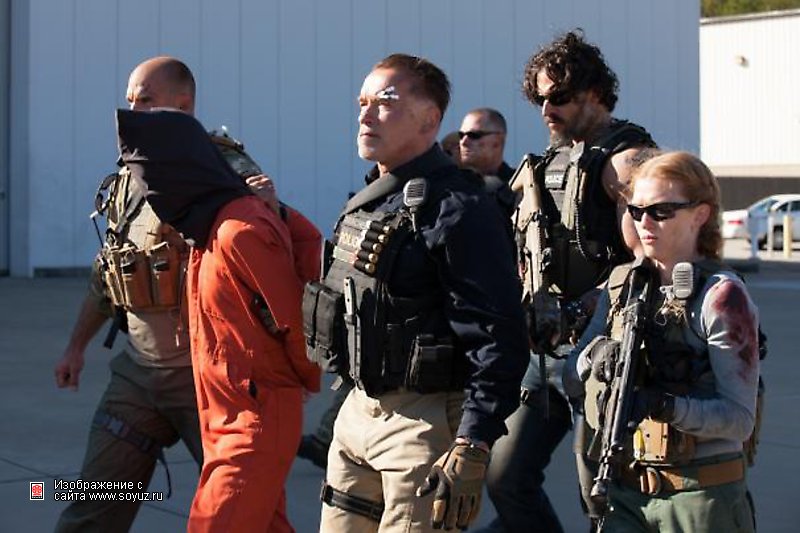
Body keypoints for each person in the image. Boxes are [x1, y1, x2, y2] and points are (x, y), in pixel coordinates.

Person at [303, 53, 529, 532]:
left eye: (384, 101)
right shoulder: (374, 200)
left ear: (429, 118)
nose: (366, 114)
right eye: (361, 103)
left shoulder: (459, 208)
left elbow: (498, 335)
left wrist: (472, 443)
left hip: (424, 424)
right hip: (358, 410)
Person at [481, 30, 656, 533]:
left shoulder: (625, 160)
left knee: (600, 497)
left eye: (558, 97)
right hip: (545, 351)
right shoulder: (557, 158)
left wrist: (595, 306)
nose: (546, 109)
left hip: (603, 353)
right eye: (539, 98)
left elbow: (651, 256)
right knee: (505, 476)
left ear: (595, 93)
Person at [116, 108, 322, 532]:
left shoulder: (239, 229)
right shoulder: (208, 226)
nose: (149, 190)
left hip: (253, 423)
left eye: (151, 177)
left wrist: (301, 378)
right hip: (223, 416)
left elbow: (292, 318)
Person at [52, 57, 203, 533]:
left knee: (244, 517)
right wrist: (76, 347)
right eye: (130, 100)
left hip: (203, 380)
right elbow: (108, 275)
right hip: (137, 376)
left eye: (146, 100)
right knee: (91, 507)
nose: (132, 111)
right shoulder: (126, 180)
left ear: (184, 105)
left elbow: (261, 262)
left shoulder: (219, 173)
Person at [578, 151, 759, 532]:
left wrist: (665, 406)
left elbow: (739, 420)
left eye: (661, 211)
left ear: (700, 215)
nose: (644, 222)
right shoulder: (622, 287)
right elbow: (570, 378)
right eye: (636, 210)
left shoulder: (722, 297)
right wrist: (596, 357)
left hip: (700, 494)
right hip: (625, 491)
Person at [458, 108, 517, 217]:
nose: (464, 142)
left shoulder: (518, 186)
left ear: (498, 140)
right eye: (461, 135)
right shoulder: (451, 185)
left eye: (474, 135)